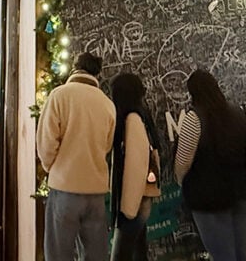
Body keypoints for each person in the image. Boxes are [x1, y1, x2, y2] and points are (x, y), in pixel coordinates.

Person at [36, 52, 116, 261]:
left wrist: (51, 167)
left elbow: (46, 143)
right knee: (95, 254)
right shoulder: (107, 104)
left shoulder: (60, 95)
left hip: (65, 187)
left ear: (75, 68)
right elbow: (106, 146)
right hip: (96, 191)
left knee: (59, 253)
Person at [175, 69, 246, 261]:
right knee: (239, 253)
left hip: (208, 198)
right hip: (241, 192)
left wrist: (182, 183)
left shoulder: (194, 119)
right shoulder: (238, 113)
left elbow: (183, 162)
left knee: (222, 256)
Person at [108, 72, 161, 261]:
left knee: (121, 254)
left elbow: (135, 166)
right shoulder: (140, 114)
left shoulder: (131, 119)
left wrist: (127, 208)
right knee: (138, 250)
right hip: (140, 199)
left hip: (134, 201)